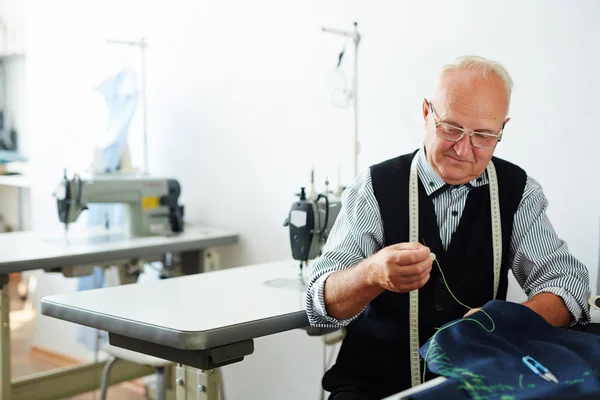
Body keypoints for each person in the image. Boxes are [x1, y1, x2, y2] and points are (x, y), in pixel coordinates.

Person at [305, 55, 591, 400]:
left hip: (473, 386)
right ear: (427, 112)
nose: (463, 148)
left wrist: (501, 322)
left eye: (484, 135)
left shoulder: (518, 191)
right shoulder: (374, 187)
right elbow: (320, 305)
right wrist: (369, 275)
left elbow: (568, 284)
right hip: (371, 387)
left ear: (503, 128)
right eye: (451, 128)